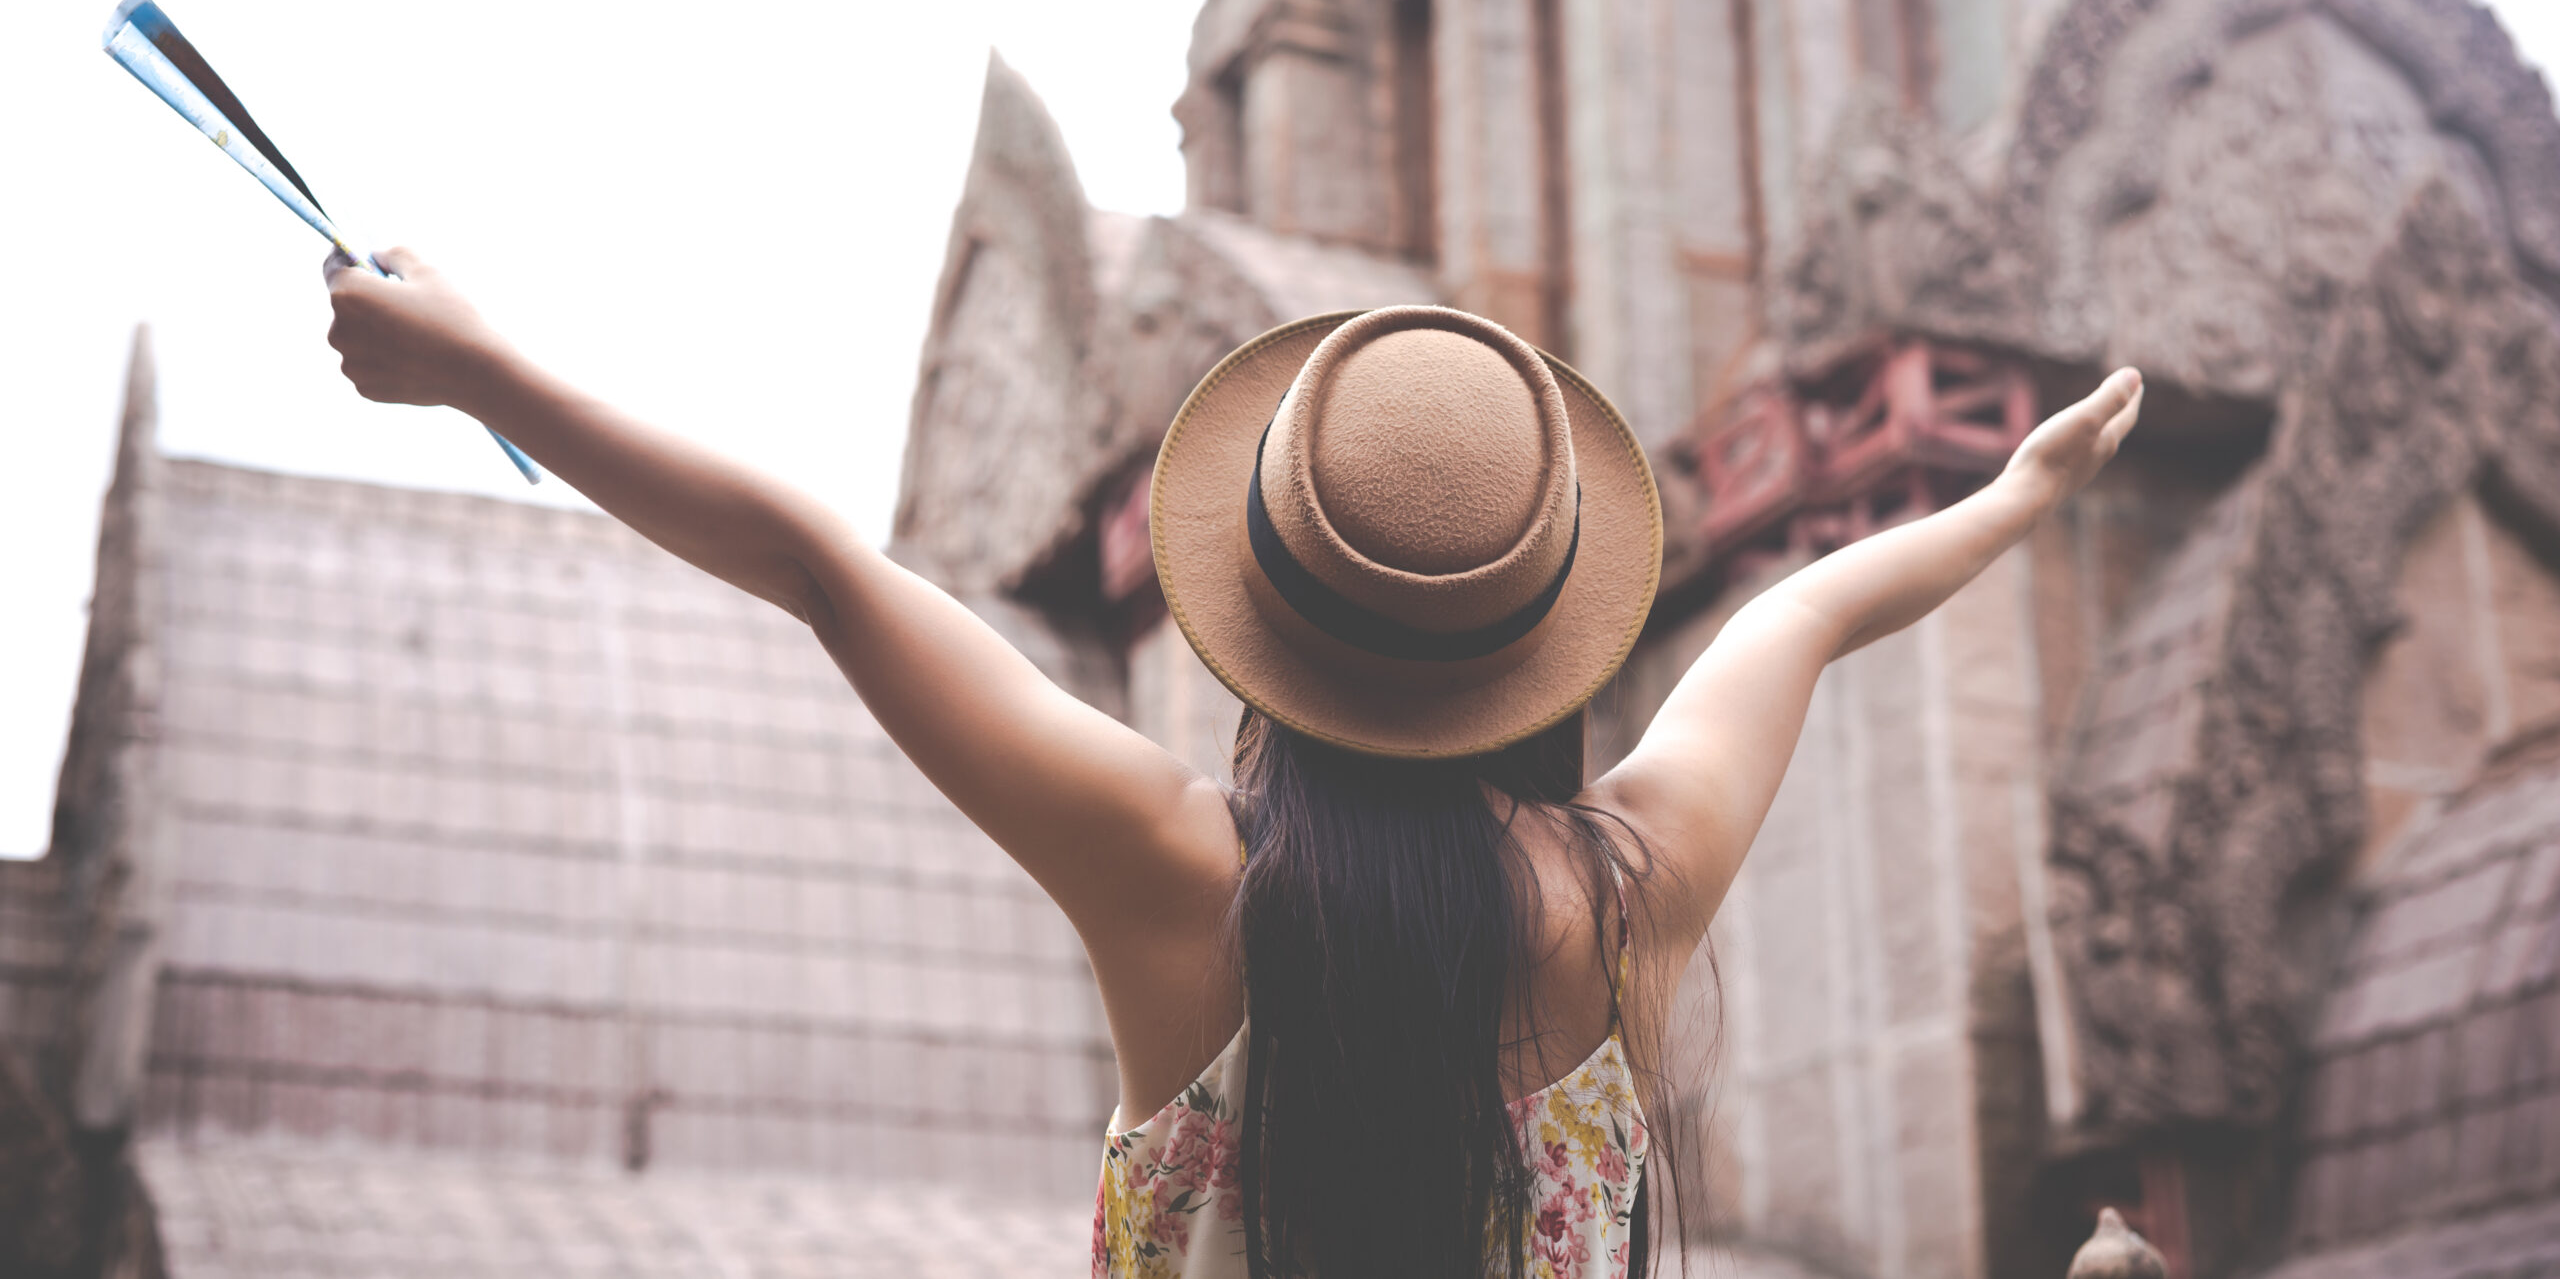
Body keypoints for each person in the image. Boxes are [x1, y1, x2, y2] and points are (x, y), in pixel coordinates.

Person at [322, 255, 2143, 1279]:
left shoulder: (1176, 881)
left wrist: (484, 369)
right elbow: (1800, 619)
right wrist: (2016, 495)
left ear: (1259, 604)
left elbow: (818, 567)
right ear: (1541, 635)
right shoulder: (1628, 892)